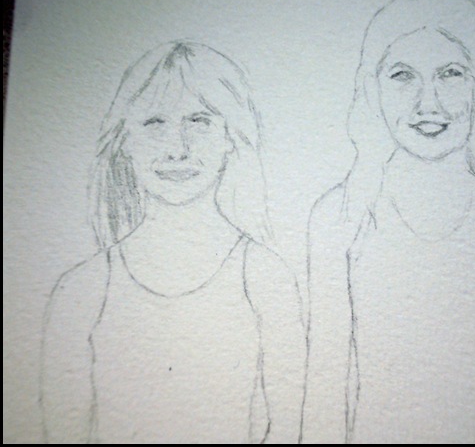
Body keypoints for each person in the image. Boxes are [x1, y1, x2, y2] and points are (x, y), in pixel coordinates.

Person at [303, 0, 475, 443]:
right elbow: (325, 390)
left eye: (450, 74)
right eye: (402, 76)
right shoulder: (339, 216)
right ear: (372, 90)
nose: (428, 104)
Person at [41, 41, 306, 443]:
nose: (178, 149)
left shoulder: (267, 278)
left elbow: (287, 429)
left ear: (230, 137)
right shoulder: (82, 290)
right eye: (155, 123)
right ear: (124, 140)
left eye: (199, 121)